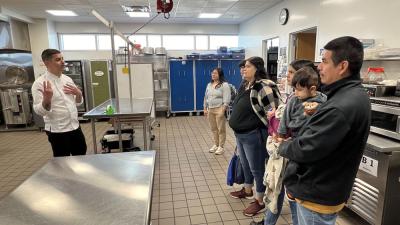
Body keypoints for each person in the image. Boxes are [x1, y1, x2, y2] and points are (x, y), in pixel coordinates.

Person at [278, 36, 370, 225]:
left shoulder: (340, 106)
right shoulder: (353, 94)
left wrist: (282, 145)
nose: (319, 66)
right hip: (329, 187)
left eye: (325, 61)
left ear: (342, 66)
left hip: (318, 193)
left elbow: (307, 148)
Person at [250, 59, 321, 225]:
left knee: (289, 193)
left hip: (293, 151)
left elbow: (292, 124)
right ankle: (268, 221)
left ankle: (272, 221)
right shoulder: (293, 95)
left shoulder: (313, 102)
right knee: (278, 189)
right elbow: (285, 120)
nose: (287, 75)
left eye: (290, 72)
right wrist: (276, 115)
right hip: (283, 146)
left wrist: (282, 130)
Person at [229, 56, 282, 217]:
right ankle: (247, 190)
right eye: (243, 67)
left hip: (254, 135)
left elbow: (274, 115)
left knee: (257, 169)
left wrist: (274, 137)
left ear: (257, 69)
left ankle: (260, 201)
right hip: (241, 134)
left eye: (247, 66)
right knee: (246, 166)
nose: (243, 69)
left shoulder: (263, 87)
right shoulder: (246, 85)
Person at [32, 49, 87, 157]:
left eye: (62, 59)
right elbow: (39, 111)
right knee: (62, 162)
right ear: (47, 63)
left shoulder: (67, 79)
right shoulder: (39, 83)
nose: (62, 62)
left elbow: (77, 103)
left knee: (81, 154)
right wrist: (46, 99)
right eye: (58, 60)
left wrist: (79, 93)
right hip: (58, 131)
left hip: (75, 126)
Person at [204, 68, 231, 155]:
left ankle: (221, 147)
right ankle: (216, 144)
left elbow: (227, 98)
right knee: (213, 129)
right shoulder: (209, 84)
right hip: (210, 109)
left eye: (215, 73)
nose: (213, 74)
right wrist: (205, 108)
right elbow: (206, 97)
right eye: (212, 73)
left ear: (220, 74)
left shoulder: (224, 85)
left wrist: (223, 110)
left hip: (219, 108)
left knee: (221, 129)